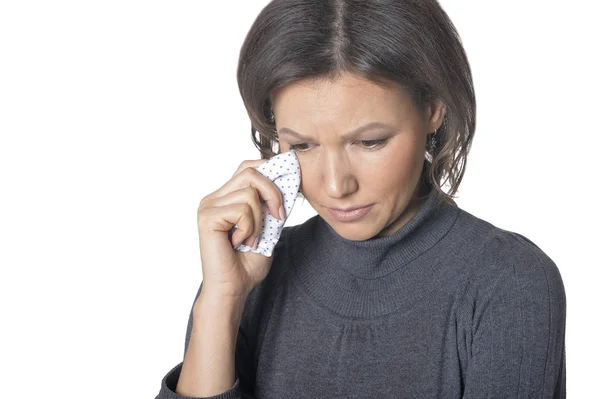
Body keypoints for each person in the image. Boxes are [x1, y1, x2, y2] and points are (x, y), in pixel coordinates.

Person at [155, 0, 566, 397]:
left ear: (434, 110)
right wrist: (221, 300)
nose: (335, 186)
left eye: (370, 142)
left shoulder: (508, 282)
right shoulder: (249, 273)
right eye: (301, 146)